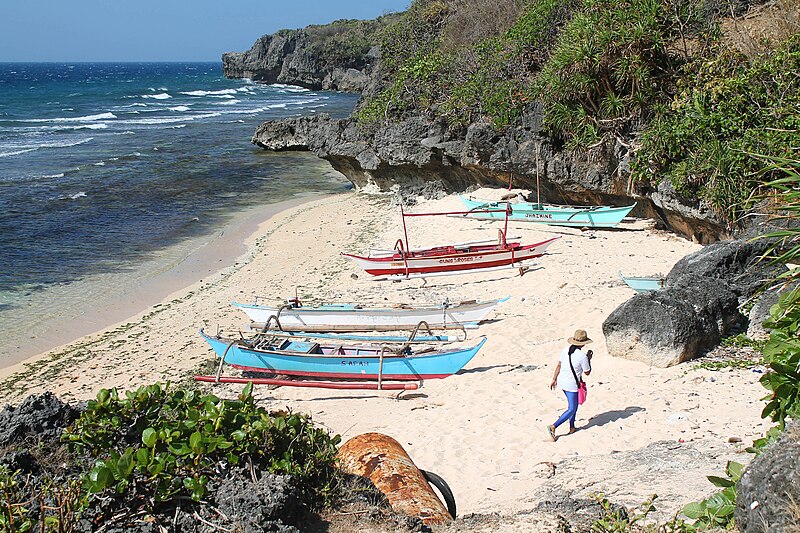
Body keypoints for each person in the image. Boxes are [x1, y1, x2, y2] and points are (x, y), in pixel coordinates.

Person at [547, 329, 593, 441]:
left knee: (573, 406)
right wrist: (589, 359)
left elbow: (559, 365)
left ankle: (572, 427)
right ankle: (553, 426)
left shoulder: (565, 350)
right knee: (572, 408)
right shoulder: (582, 356)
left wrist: (554, 379)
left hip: (562, 381)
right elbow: (587, 372)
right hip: (571, 385)